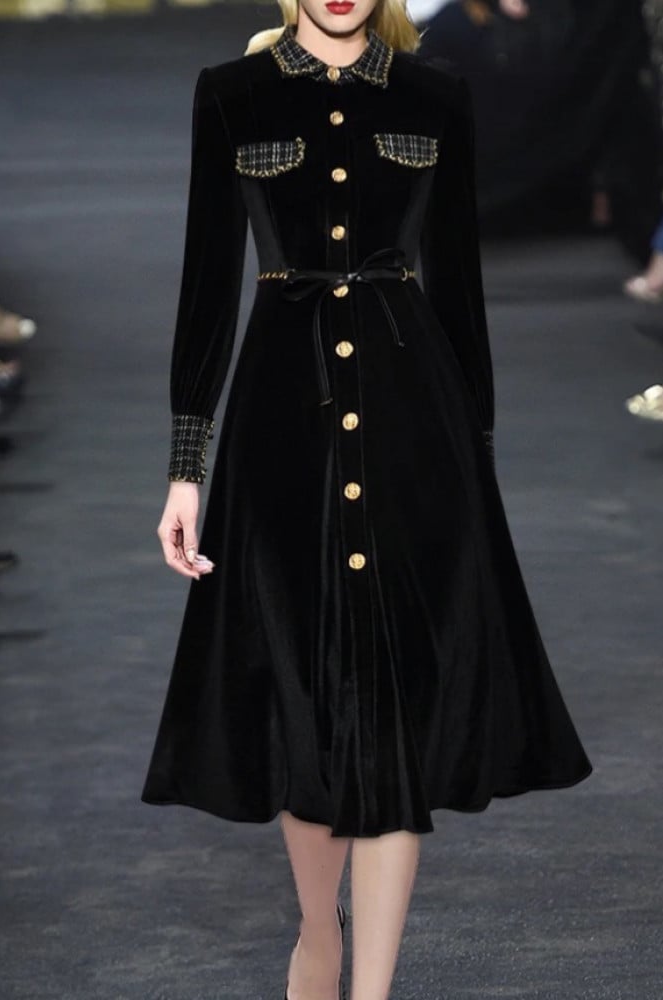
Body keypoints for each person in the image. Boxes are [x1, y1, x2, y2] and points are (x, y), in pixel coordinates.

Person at [142, 2, 592, 997]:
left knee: (399, 706)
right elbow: (206, 285)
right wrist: (186, 468)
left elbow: (460, 289)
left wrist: (477, 462)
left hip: (412, 425)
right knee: (299, 690)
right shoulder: (233, 95)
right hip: (277, 428)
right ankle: (319, 933)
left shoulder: (435, 97)